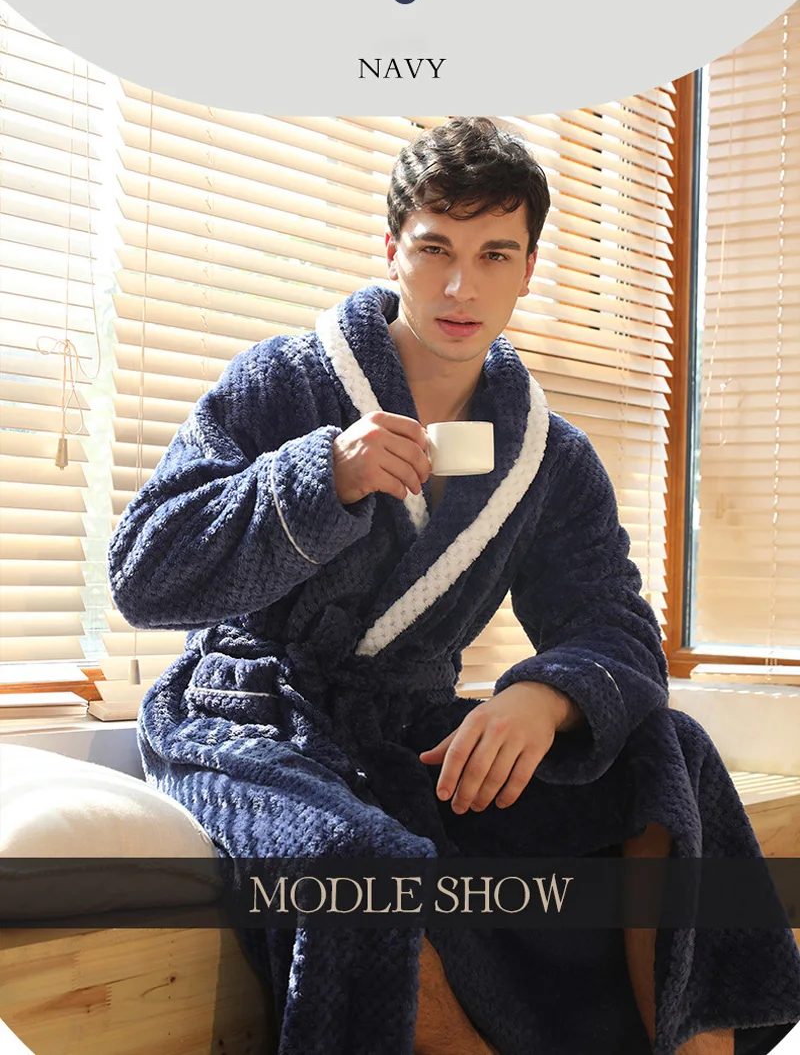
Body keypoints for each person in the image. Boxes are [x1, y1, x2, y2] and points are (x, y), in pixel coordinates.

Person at [108, 117, 800, 1055]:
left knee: (667, 750)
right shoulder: (283, 384)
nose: (460, 286)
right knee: (362, 864)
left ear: (529, 268)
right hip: (249, 717)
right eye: (435, 249)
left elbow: (613, 620)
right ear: (392, 249)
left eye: (493, 255)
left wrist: (547, 696)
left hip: (407, 722)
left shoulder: (547, 455)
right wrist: (321, 478)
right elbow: (142, 574)